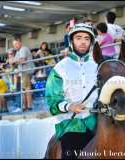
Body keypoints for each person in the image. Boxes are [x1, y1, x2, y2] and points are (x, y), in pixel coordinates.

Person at [45, 23, 98, 159]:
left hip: (97, 123)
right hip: (71, 126)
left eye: (87, 38)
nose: (83, 42)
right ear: (71, 41)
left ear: (91, 42)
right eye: (78, 38)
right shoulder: (59, 69)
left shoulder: (97, 66)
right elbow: (52, 103)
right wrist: (70, 106)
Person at [13, 39, 35, 111]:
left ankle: (29, 106)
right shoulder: (18, 52)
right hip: (23, 72)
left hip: (26, 71)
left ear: (20, 43)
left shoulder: (23, 49)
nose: (15, 46)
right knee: (24, 89)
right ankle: (25, 106)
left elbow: (22, 60)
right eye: (14, 45)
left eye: (16, 44)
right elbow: (15, 62)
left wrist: (13, 60)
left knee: (27, 89)